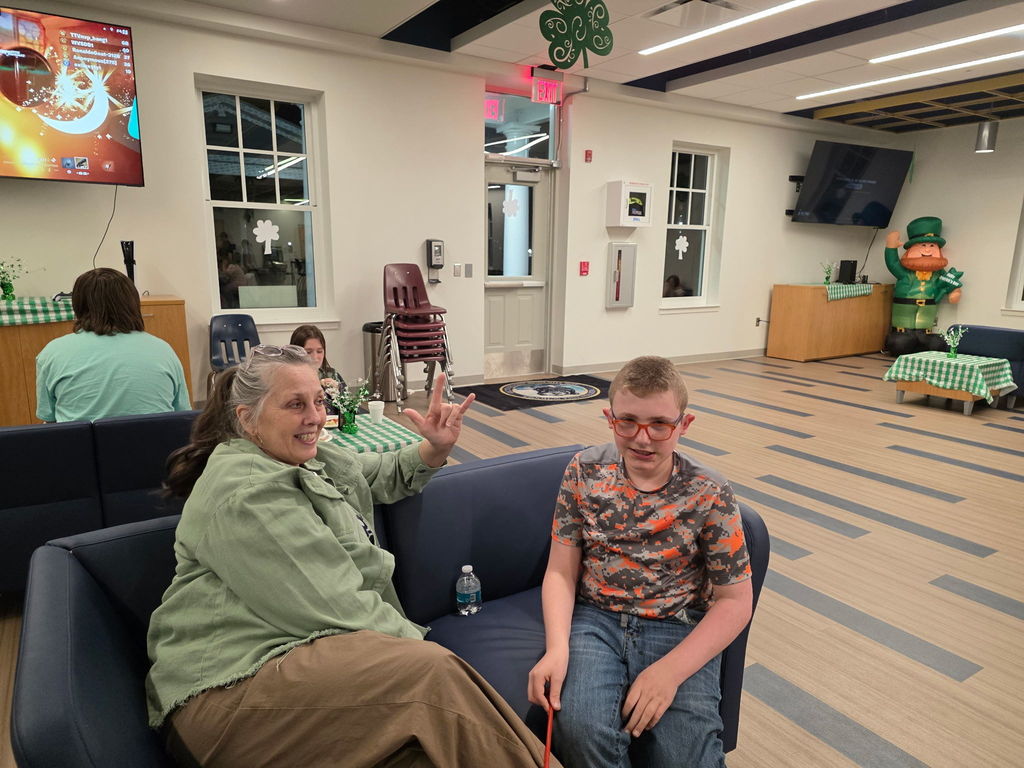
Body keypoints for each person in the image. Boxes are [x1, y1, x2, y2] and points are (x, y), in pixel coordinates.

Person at [146, 346, 557, 767]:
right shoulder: (249, 492)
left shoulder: (311, 457)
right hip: (231, 695)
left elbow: (379, 473)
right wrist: (426, 648)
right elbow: (337, 605)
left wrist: (434, 448)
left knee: (427, 754)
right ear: (246, 418)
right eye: (295, 404)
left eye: (319, 401)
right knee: (430, 675)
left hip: (310, 676)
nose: (314, 416)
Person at [528, 356, 752, 768]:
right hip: (597, 618)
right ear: (609, 418)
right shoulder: (584, 470)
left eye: (660, 425)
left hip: (677, 624)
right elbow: (561, 570)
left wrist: (669, 673)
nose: (642, 439)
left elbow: (735, 601)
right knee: (580, 732)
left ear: (684, 424)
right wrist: (557, 648)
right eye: (627, 422)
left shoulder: (711, 491)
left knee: (688, 754)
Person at [35, 267, 191, 422]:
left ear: (78, 305)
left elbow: (49, 418)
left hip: (82, 445)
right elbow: (182, 415)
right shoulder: (163, 350)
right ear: (132, 303)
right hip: (156, 444)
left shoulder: (52, 352)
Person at [883, 216, 964, 356]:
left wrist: (955, 292)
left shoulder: (938, 273)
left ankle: (923, 338)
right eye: (923, 246)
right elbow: (892, 263)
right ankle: (904, 337)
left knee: (937, 344)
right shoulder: (905, 273)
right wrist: (890, 247)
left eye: (931, 246)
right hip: (903, 325)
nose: (927, 250)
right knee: (899, 344)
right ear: (910, 250)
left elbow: (949, 281)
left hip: (926, 326)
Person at [289, 323, 346, 391]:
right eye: (308, 352)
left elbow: (348, 399)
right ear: (295, 352)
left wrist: (337, 390)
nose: (315, 357)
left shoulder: (332, 374)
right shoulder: (288, 379)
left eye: (319, 351)